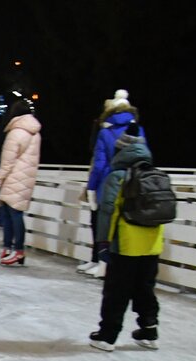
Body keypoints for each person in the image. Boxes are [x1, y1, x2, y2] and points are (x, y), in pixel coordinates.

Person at [88, 124, 163, 351]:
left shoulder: (117, 177)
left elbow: (108, 212)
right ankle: (149, 331)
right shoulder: (155, 174)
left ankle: (107, 336)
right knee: (145, 288)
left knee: (116, 291)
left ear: (120, 151)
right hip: (151, 245)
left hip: (124, 244)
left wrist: (102, 243)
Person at [78, 90, 145, 277]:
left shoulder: (105, 132)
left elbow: (99, 164)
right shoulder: (139, 130)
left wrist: (91, 187)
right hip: (133, 183)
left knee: (105, 225)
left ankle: (104, 265)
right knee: (126, 225)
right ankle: (123, 266)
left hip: (108, 184)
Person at [0, 100, 42, 266]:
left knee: (11, 215)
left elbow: (7, 162)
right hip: (25, 178)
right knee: (14, 213)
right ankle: (12, 249)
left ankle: (16, 249)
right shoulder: (35, 132)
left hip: (13, 177)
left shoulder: (16, 133)